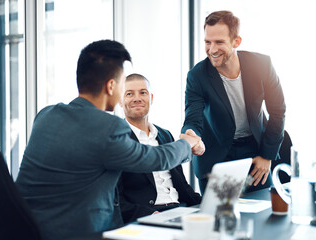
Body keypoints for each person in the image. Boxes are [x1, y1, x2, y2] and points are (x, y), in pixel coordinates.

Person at [16, 40, 203, 240]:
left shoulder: (45, 115)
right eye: (124, 85)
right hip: (81, 233)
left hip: (27, 229)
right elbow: (157, 159)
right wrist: (188, 142)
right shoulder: (108, 128)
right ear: (112, 86)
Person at [182, 10, 286, 194]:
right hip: (217, 155)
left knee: (262, 211)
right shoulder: (197, 75)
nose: (212, 49)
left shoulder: (261, 65)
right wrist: (190, 134)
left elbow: (277, 111)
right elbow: (193, 117)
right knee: (221, 218)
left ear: (236, 41)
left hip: (255, 152)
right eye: (208, 42)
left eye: (219, 42)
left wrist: (267, 155)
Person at [117, 74, 203, 223]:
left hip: (180, 210)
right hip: (149, 215)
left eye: (143, 93)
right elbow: (117, 200)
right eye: (129, 94)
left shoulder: (165, 135)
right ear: (120, 101)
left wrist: (207, 204)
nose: (137, 98)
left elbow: (181, 185)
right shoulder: (117, 139)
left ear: (151, 98)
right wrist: (150, 216)